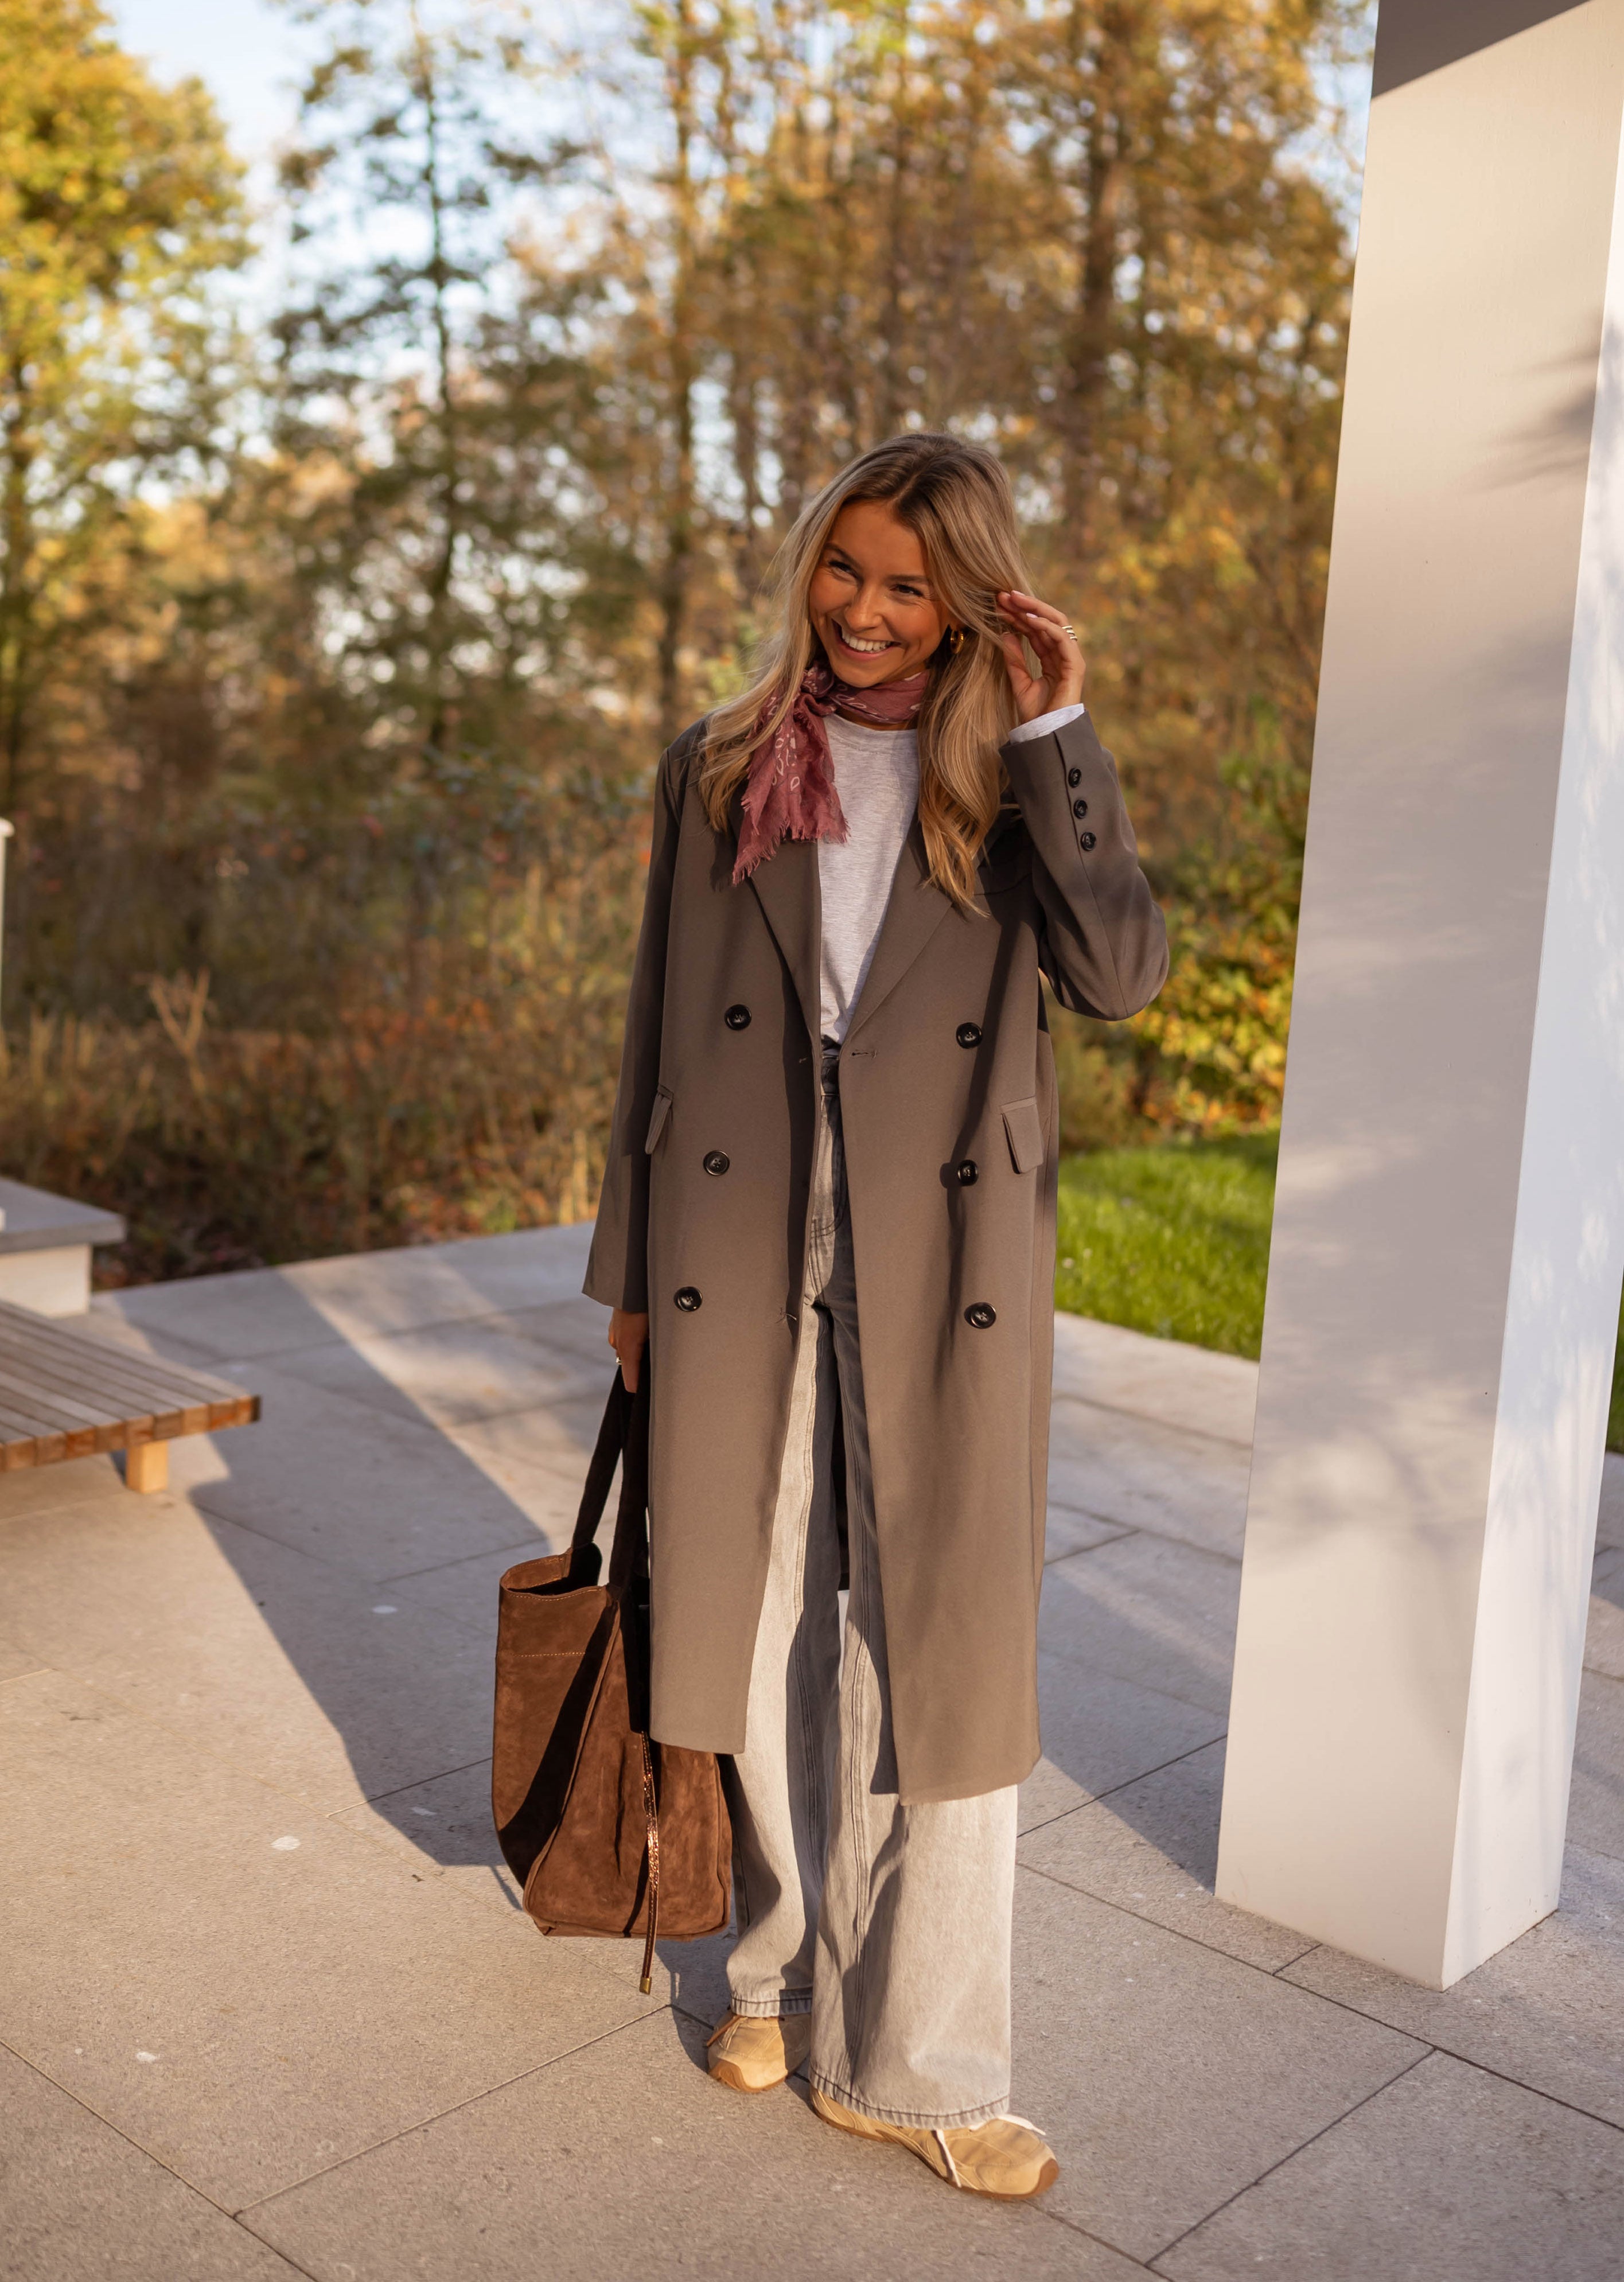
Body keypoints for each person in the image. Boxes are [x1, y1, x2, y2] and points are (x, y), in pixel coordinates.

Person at [585, 431, 1167, 2199]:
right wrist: (627, 1275)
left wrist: (1060, 730)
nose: (866, 608)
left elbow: (1121, 973)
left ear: (972, 600)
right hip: (740, 1216)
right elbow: (655, 1018)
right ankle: (771, 1969)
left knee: (941, 1644)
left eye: (910, 584)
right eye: (845, 568)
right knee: (752, 1606)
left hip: (950, 1235)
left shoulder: (1011, 772)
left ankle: (921, 2062)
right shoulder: (722, 764)